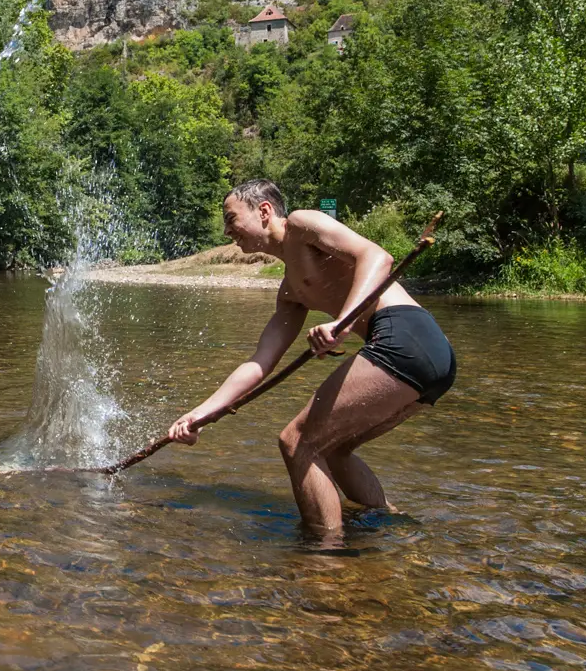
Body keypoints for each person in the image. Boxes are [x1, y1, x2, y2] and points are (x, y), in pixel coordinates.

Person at [166, 180, 454, 540]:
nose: (227, 231)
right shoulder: (290, 293)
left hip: (405, 336)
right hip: (432, 359)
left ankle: (325, 558)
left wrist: (342, 323)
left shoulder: (303, 225)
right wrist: (200, 415)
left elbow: (378, 257)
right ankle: (396, 531)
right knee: (335, 449)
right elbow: (259, 363)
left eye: (231, 218)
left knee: (297, 442)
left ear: (265, 211)